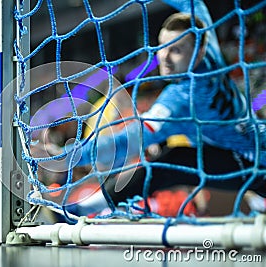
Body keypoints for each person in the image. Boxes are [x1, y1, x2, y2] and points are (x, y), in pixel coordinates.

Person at [39, 1, 266, 216]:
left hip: (248, 163)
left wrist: (73, 156)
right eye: (162, 47)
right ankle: (85, 207)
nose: (164, 57)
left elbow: (129, 141)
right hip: (256, 141)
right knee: (172, 159)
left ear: (198, 51)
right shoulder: (208, 44)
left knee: (166, 164)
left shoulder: (179, 100)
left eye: (175, 50)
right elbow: (193, 4)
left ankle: (79, 210)